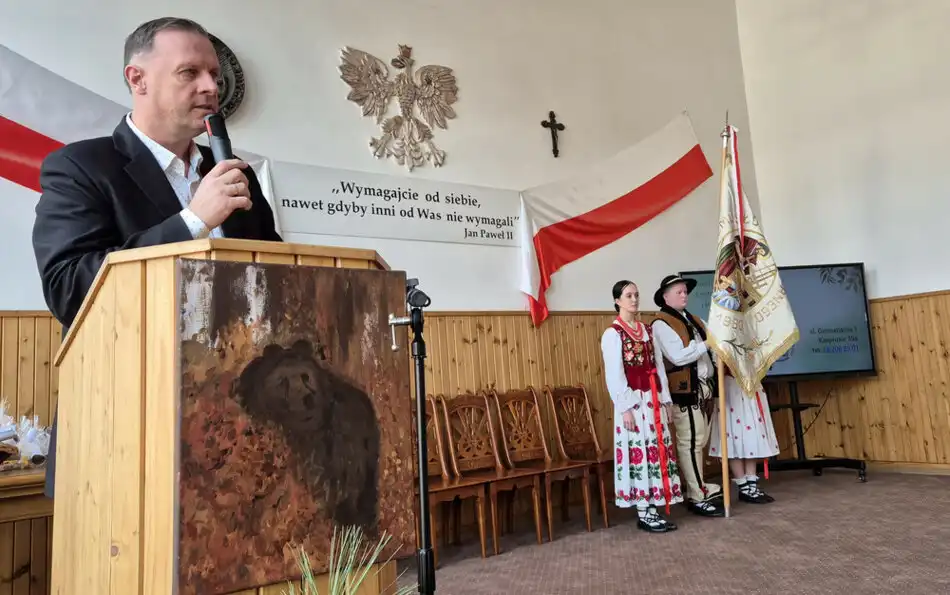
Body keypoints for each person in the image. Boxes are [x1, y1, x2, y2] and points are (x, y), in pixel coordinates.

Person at [31, 17, 283, 498]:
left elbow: (274, 280)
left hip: (238, 432)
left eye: (214, 73)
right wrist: (193, 221)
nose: (212, 86)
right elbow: (69, 288)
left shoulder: (233, 174)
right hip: (123, 427)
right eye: (190, 73)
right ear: (138, 79)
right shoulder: (80, 167)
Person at [600, 280, 683, 533]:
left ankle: (654, 504)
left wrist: (666, 399)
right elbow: (614, 374)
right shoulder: (613, 333)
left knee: (656, 450)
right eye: (628, 295)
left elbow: (658, 367)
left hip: (653, 399)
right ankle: (643, 509)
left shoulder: (647, 330)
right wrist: (625, 407)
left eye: (636, 294)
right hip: (634, 403)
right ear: (617, 301)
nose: (634, 299)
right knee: (639, 451)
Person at [650, 275, 725, 517]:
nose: (684, 295)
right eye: (679, 292)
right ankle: (696, 493)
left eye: (685, 291)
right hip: (684, 391)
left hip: (703, 388)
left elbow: (711, 346)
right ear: (666, 296)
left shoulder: (695, 320)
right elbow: (678, 356)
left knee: (699, 440)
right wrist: (707, 344)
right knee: (689, 441)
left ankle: (699, 485)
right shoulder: (661, 323)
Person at [707, 370, 779, 504]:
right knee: (733, 434)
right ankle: (743, 485)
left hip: (751, 384)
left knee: (752, 434)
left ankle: (751, 482)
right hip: (731, 387)